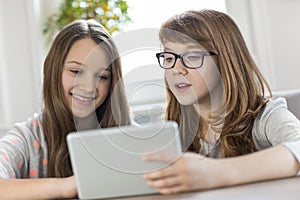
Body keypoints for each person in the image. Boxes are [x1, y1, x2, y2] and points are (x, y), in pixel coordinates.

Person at [143, 9, 300, 194]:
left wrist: (212, 172)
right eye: (169, 58)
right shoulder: (170, 129)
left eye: (192, 56)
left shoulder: (264, 117)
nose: (176, 69)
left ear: (225, 61)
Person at [0, 19, 130, 199]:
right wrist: (67, 186)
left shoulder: (128, 136)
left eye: (102, 76)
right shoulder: (27, 138)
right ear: (54, 71)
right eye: (76, 72)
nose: (88, 86)